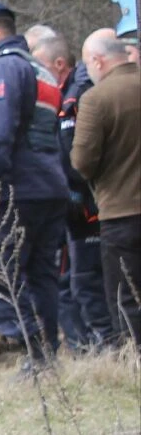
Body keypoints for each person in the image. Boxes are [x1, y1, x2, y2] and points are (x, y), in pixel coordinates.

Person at [0, 2, 68, 372]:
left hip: (16, 188)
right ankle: (46, 356)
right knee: (41, 276)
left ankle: (32, 346)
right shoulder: (43, 71)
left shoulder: (4, 67)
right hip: (50, 186)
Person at [27, 29, 115, 351]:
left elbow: (76, 155)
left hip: (87, 206)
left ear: (60, 64)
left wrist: (73, 188)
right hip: (72, 202)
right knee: (69, 281)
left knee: (85, 281)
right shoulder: (62, 93)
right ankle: (85, 347)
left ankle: (105, 346)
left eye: (39, 66)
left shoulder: (78, 94)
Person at [72, 29, 141, 346]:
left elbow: (82, 161)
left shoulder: (96, 99)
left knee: (126, 298)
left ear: (97, 61)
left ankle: (134, 366)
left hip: (120, 213)